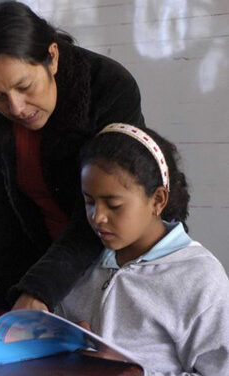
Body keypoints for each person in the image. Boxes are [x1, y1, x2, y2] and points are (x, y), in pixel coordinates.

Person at [0, 1, 145, 313]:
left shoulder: (109, 87)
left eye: (25, 86)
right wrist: (3, 298)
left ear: (52, 58)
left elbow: (106, 210)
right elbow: (0, 203)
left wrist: (41, 288)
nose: (16, 108)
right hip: (48, 264)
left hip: (120, 258)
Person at [56, 124, 229, 375]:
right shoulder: (81, 261)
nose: (97, 217)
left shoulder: (199, 278)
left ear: (157, 200)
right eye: (89, 201)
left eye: (113, 205)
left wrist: (138, 373)